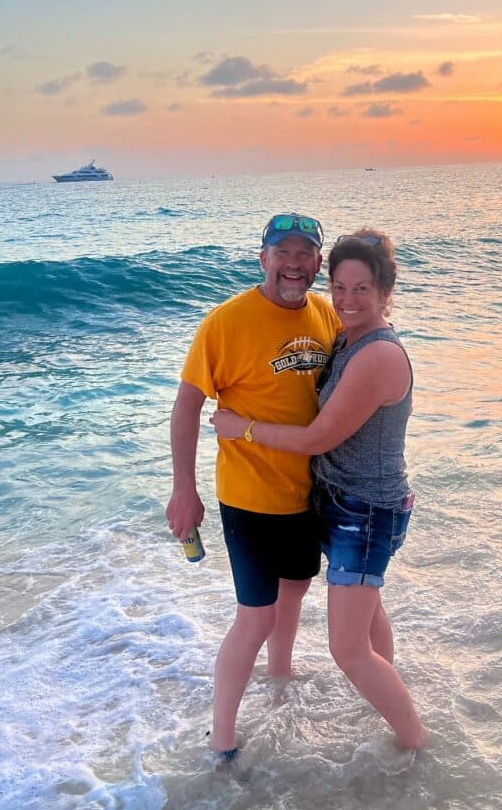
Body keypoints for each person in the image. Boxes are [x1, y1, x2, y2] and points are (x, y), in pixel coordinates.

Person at [211, 229, 427, 750]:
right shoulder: (345, 336)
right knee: (369, 611)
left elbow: (317, 437)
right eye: (341, 287)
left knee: (348, 649)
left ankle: (417, 746)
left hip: (366, 511)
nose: (349, 300)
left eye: (363, 289)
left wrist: (242, 427)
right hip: (340, 501)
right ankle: (384, 697)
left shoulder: (377, 355)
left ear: (384, 293)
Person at [165, 213, 340, 760]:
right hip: (248, 495)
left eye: (304, 253)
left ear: (318, 262)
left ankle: (279, 682)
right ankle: (222, 738)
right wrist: (182, 489)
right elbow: (187, 406)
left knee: (295, 590)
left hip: (307, 492)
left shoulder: (326, 315)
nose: (293, 264)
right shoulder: (227, 322)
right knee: (256, 616)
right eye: (281, 252)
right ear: (262, 258)